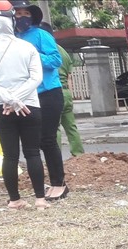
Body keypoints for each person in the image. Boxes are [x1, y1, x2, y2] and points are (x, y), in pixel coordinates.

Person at [0, 0, 49, 210]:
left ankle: (15, 200)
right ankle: (40, 199)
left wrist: (8, 99)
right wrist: (18, 98)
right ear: (12, 17)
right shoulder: (27, 47)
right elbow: (36, 78)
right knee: (33, 152)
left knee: (10, 155)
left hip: (2, 107)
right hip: (30, 105)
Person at [11, 0, 68, 201]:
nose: (21, 17)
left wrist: (33, 57)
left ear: (32, 16)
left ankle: (59, 183)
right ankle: (51, 182)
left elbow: (55, 60)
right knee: (34, 142)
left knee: (48, 139)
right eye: (17, 13)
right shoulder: (14, 39)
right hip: (27, 96)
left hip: (48, 93)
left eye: (25, 13)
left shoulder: (41, 35)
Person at [40, 22, 84, 157]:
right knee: (71, 126)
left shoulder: (44, 53)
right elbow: (69, 77)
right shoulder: (63, 52)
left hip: (52, 92)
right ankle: (79, 154)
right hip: (65, 92)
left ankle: (55, 157)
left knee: (54, 128)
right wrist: (69, 94)